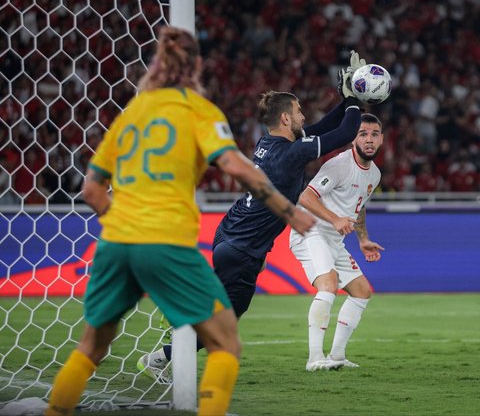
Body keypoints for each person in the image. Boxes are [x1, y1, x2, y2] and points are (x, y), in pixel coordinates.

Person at [45, 26, 316, 416]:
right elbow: (237, 166)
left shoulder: (133, 112)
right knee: (225, 342)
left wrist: (122, 222)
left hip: (116, 241)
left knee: (92, 347)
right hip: (165, 241)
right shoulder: (199, 110)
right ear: (198, 67)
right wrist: (291, 212)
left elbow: (91, 191)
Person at [138, 51, 371, 379]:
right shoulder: (291, 154)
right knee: (226, 321)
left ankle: (180, 319)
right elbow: (344, 134)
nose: (304, 115)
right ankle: (162, 355)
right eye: (299, 111)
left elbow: (325, 127)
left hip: (230, 233)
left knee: (219, 311)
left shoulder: (270, 144)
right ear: (286, 119)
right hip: (242, 247)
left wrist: (346, 97)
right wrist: (356, 98)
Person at [289, 112, 385, 371]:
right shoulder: (339, 164)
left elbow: (359, 206)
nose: (369, 139)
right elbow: (306, 197)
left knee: (362, 291)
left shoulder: (374, 174)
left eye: (374, 134)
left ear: (381, 139)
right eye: (363, 133)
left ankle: (337, 357)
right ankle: (314, 358)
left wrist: (363, 239)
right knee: (328, 285)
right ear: (353, 138)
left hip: (333, 239)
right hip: (309, 231)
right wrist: (334, 219)